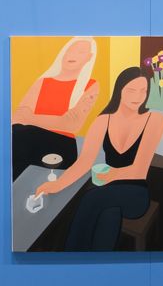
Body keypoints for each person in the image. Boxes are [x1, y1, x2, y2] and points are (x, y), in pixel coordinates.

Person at [34, 66, 163, 250]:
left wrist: (112, 175)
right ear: (120, 90)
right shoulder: (103, 120)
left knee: (91, 198)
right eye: (131, 90)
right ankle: (98, 260)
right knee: (109, 214)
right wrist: (57, 184)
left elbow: (139, 171)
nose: (138, 96)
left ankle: (72, 255)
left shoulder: (155, 119)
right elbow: (84, 161)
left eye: (143, 91)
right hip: (107, 191)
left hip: (135, 193)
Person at [11, 36, 98, 180]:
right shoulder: (42, 82)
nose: (72, 55)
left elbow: (72, 124)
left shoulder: (90, 85)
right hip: (27, 138)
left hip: (61, 144)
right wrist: (56, 120)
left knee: (22, 135)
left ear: (89, 57)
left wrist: (30, 118)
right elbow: (17, 117)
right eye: (70, 50)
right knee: (17, 134)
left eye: (80, 52)